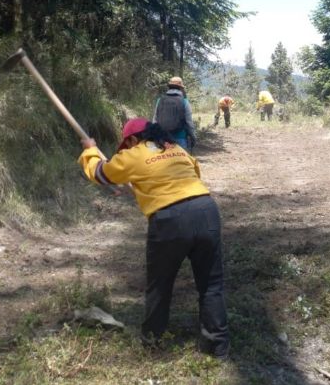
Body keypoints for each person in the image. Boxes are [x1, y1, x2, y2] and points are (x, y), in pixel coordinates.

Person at [78, 118, 229, 358]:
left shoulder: (134, 154)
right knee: (211, 284)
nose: (125, 151)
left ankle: (153, 342)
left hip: (170, 220)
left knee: (160, 284)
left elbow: (100, 173)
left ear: (133, 139)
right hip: (205, 209)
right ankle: (217, 347)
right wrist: (139, 183)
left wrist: (90, 151)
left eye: (126, 145)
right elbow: (192, 173)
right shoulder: (175, 149)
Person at [153, 76, 197, 151]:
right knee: (181, 162)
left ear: (169, 87)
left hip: (163, 139)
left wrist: (154, 136)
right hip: (180, 138)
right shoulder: (184, 101)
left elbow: (155, 120)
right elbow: (189, 122)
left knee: (163, 161)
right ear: (181, 88)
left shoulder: (160, 100)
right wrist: (193, 137)